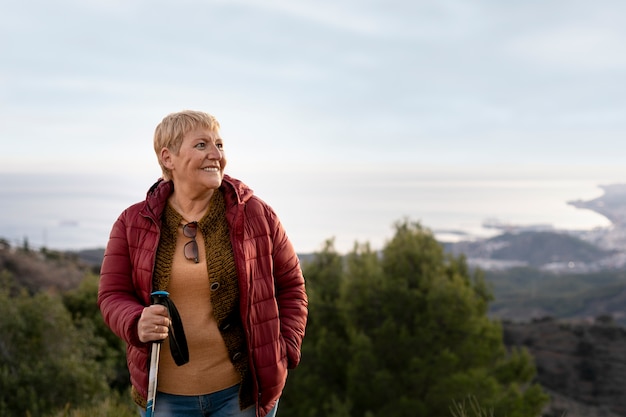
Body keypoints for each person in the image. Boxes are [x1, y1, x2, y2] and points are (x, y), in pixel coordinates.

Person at [98, 110, 308, 417]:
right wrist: (135, 320)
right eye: (201, 145)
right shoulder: (132, 222)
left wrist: (284, 351)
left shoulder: (257, 215)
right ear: (168, 158)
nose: (216, 154)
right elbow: (111, 295)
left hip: (242, 398)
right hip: (166, 400)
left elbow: (292, 287)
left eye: (220, 145)